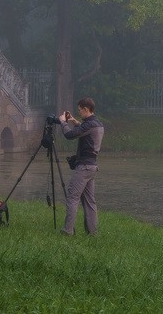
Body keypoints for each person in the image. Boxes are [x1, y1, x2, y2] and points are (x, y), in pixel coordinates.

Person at [58, 97, 104, 236]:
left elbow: (70, 135)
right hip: (92, 167)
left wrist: (62, 122)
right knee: (90, 201)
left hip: (84, 167)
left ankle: (68, 230)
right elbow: (84, 130)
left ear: (85, 109)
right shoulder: (97, 123)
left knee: (72, 197)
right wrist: (73, 121)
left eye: (79, 111)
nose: (79, 113)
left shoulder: (89, 125)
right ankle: (92, 232)